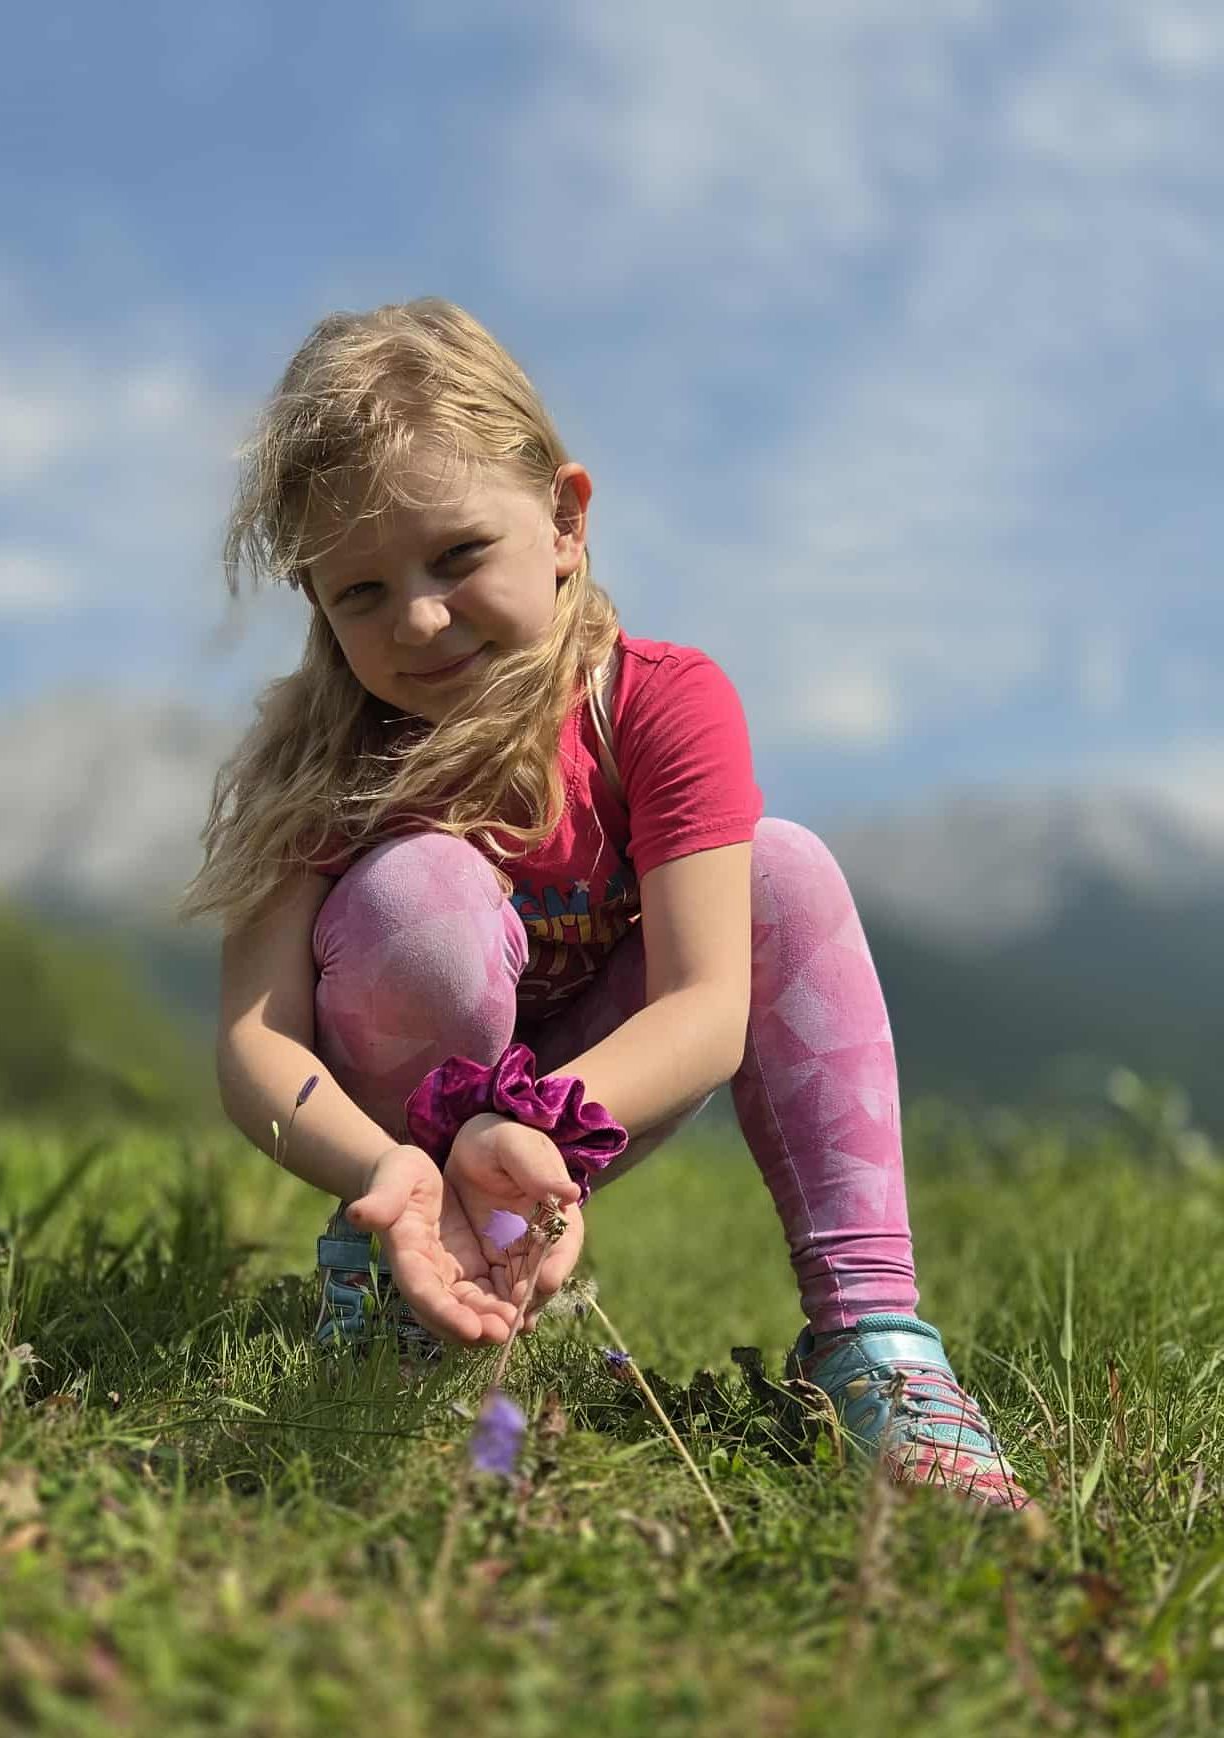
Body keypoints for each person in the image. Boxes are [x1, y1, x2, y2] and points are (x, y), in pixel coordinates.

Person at [184, 298, 1029, 1510]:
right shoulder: (322, 756)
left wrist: (541, 1132)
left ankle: (872, 1343)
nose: (417, 616)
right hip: (401, 1133)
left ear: (567, 519)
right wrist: (398, 1169)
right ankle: (394, 1278)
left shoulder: (659, 704)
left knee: (779, 871)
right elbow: (253, 1038)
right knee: (422, 889)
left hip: (572, 1110)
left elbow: (704, 1003)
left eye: (458, 555)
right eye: (358, 592)